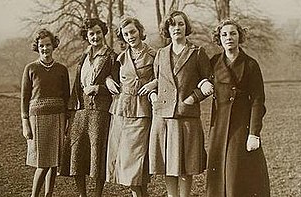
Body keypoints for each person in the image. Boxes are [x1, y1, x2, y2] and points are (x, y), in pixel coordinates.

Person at [148, 10, 213, 197]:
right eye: (172, 24)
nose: (176, 28)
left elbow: (209, 81)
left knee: (185, 164)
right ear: (167, 29)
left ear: (186, 27)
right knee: (168, 163)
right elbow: (156, 81)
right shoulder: (160, 54)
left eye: (180, 24)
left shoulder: (197, 52)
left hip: (187, 117)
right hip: (164, 116)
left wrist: (193, 97)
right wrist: (153, 95)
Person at [206, 19, 270, 197]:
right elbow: (198, 81)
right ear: (219, 39)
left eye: (233, 33)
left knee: (238, 174)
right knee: (218, 175)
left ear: (239, 36)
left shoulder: (250, 64)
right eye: (224, 34)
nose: (228, 38)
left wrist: (254, 133)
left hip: (242, 126)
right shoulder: (214, 62)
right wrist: (203, 83)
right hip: (219, 126)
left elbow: (258, 101)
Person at [62, 18, 119, 197]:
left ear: (103, 33)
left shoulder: (111, 56)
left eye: (98, 33)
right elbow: (77, 85)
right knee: (77, 152)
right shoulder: (84, 56)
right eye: (91, 34)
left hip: (100, 112)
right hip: (81, 111)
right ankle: (82, 194)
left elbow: (117, 86)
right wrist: (71, 111)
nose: (95, 36)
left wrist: (98, 88)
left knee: (97, 154)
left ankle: (97, 194)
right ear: (87, 36)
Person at [105, 17, 157, 197]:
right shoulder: (120, 58)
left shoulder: (154, 54)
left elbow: (165, 76)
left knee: (134, 162)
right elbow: (108, 74)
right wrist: (108, 79)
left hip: (142, 111)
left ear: (140, 31)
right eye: (126, 34)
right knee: (127, 163)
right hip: (121, 111)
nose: (130, 36)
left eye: (133, 32)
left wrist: (154, 83)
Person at [21, 29, 70, 197]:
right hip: (37, 119)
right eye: (41, 45)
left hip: (58, 117)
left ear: (53, 45)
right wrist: (25, 123)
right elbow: (24, 98)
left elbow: (67, 96)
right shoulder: (31, 68)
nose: (45, 48)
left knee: (54, 161)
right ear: (37, 47)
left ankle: (48, 194)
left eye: (48, 45)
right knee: (42, 162)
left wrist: (67, 121)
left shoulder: (62, 69)